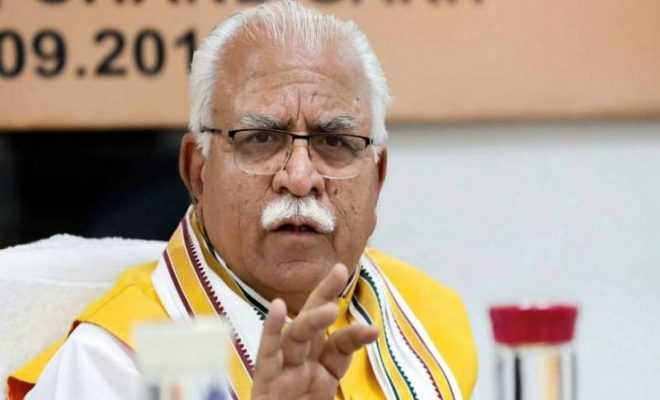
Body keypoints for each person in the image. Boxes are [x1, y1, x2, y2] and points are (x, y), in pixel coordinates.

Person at [7, 1, 478, 399]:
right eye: (261, 139)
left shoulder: (429, 319)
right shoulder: (115, 364)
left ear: (377, 178)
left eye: (334, 142)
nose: (300, 178)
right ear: (197, 171)